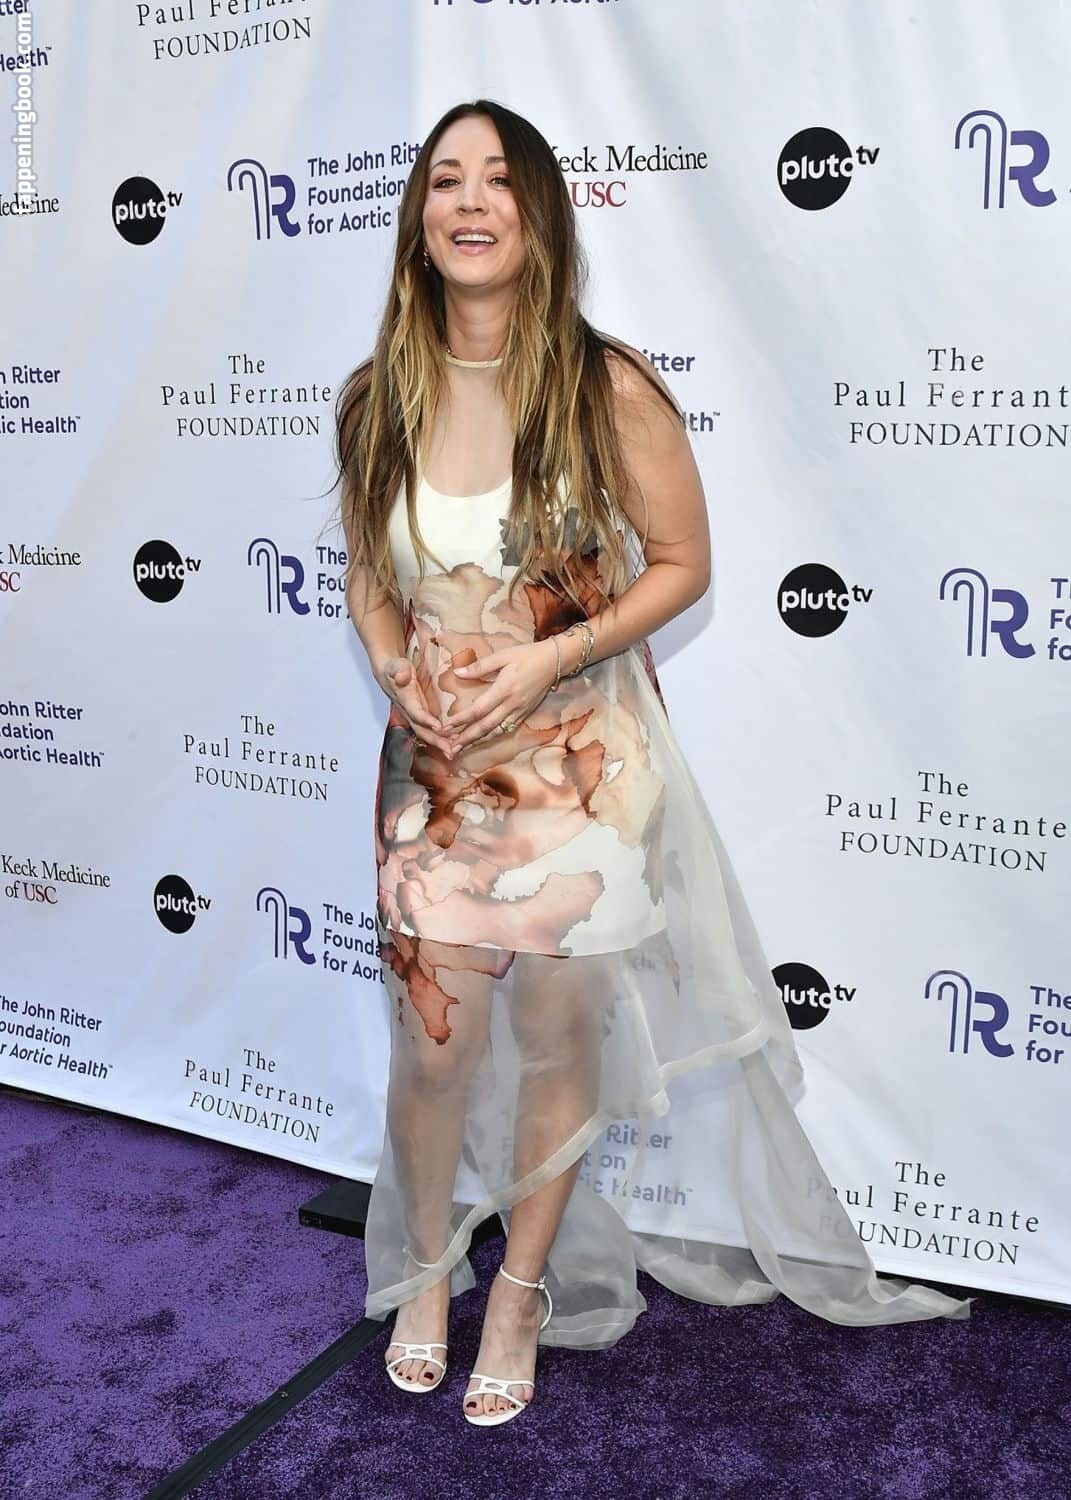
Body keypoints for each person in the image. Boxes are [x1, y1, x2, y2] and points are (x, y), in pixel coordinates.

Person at [331, 98, 972, 1429]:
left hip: (582, 774)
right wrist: (394, 666)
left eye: (497, 179)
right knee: (435, 1051)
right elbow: (366, 579)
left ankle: (521, 1291)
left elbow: (685, 564)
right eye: (445, 179)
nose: (469, 202)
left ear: (540, 213)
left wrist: (549, 659)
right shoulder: (377, 395)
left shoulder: (603, 384)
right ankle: (432, 1272)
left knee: (557, 1036)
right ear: (417, 216)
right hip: (433, 777)